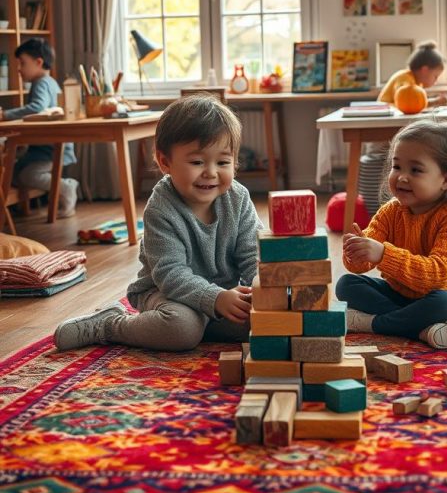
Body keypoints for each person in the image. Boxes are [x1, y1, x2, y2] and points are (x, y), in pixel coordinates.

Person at [54, 95, 263, 351]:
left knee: (265, 320)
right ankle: (110, 324)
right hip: (166, 292)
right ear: (165, 162)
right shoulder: (161, 207)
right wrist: (215, 297)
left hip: (221, 296)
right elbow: (170, 275)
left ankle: (202, 326)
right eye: (197, 162)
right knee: (182, 329)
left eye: (223, 162)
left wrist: (263, 289)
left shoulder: (238, 198)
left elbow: (254, 256)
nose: (211, 172)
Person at [336, 119, 447, 348]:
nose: (402, 177)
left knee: (443, 305)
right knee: (346, 285)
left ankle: (373, 324)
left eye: (416, 170)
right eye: (397, 166)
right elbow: (358, 267)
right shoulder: (391, 211)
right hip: (404, 292)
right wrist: (356, 251)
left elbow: (437, 275)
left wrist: (382, 254)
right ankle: (427, 329)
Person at [0, 38, 78, 217]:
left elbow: (38, 107)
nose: (18, 68)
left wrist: (5, 115)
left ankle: (66, 187)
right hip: (48, 147)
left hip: (49, 149)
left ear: (38, 62)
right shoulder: (49, 81)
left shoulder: (41, 82)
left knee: (24, 175)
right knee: (17, 173)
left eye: (22, 63)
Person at [378, 41, 447, 107]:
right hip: (383, 117)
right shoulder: (405, 79)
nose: (436, 81)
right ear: (425, 70)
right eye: (435, 76)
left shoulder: (415, 83)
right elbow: (409, 105)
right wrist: (435, 102)